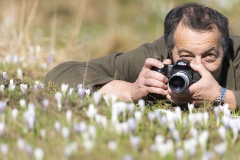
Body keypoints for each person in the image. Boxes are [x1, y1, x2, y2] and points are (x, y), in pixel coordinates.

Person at [45, 3, 240, 111]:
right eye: (186, 57)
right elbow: (61, 74)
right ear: (170, 51)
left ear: (225, 50)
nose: (199, 67)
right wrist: (131, 90)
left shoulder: (236, 53)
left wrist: (221, 96)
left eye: (209, 56)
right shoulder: (156, 57)